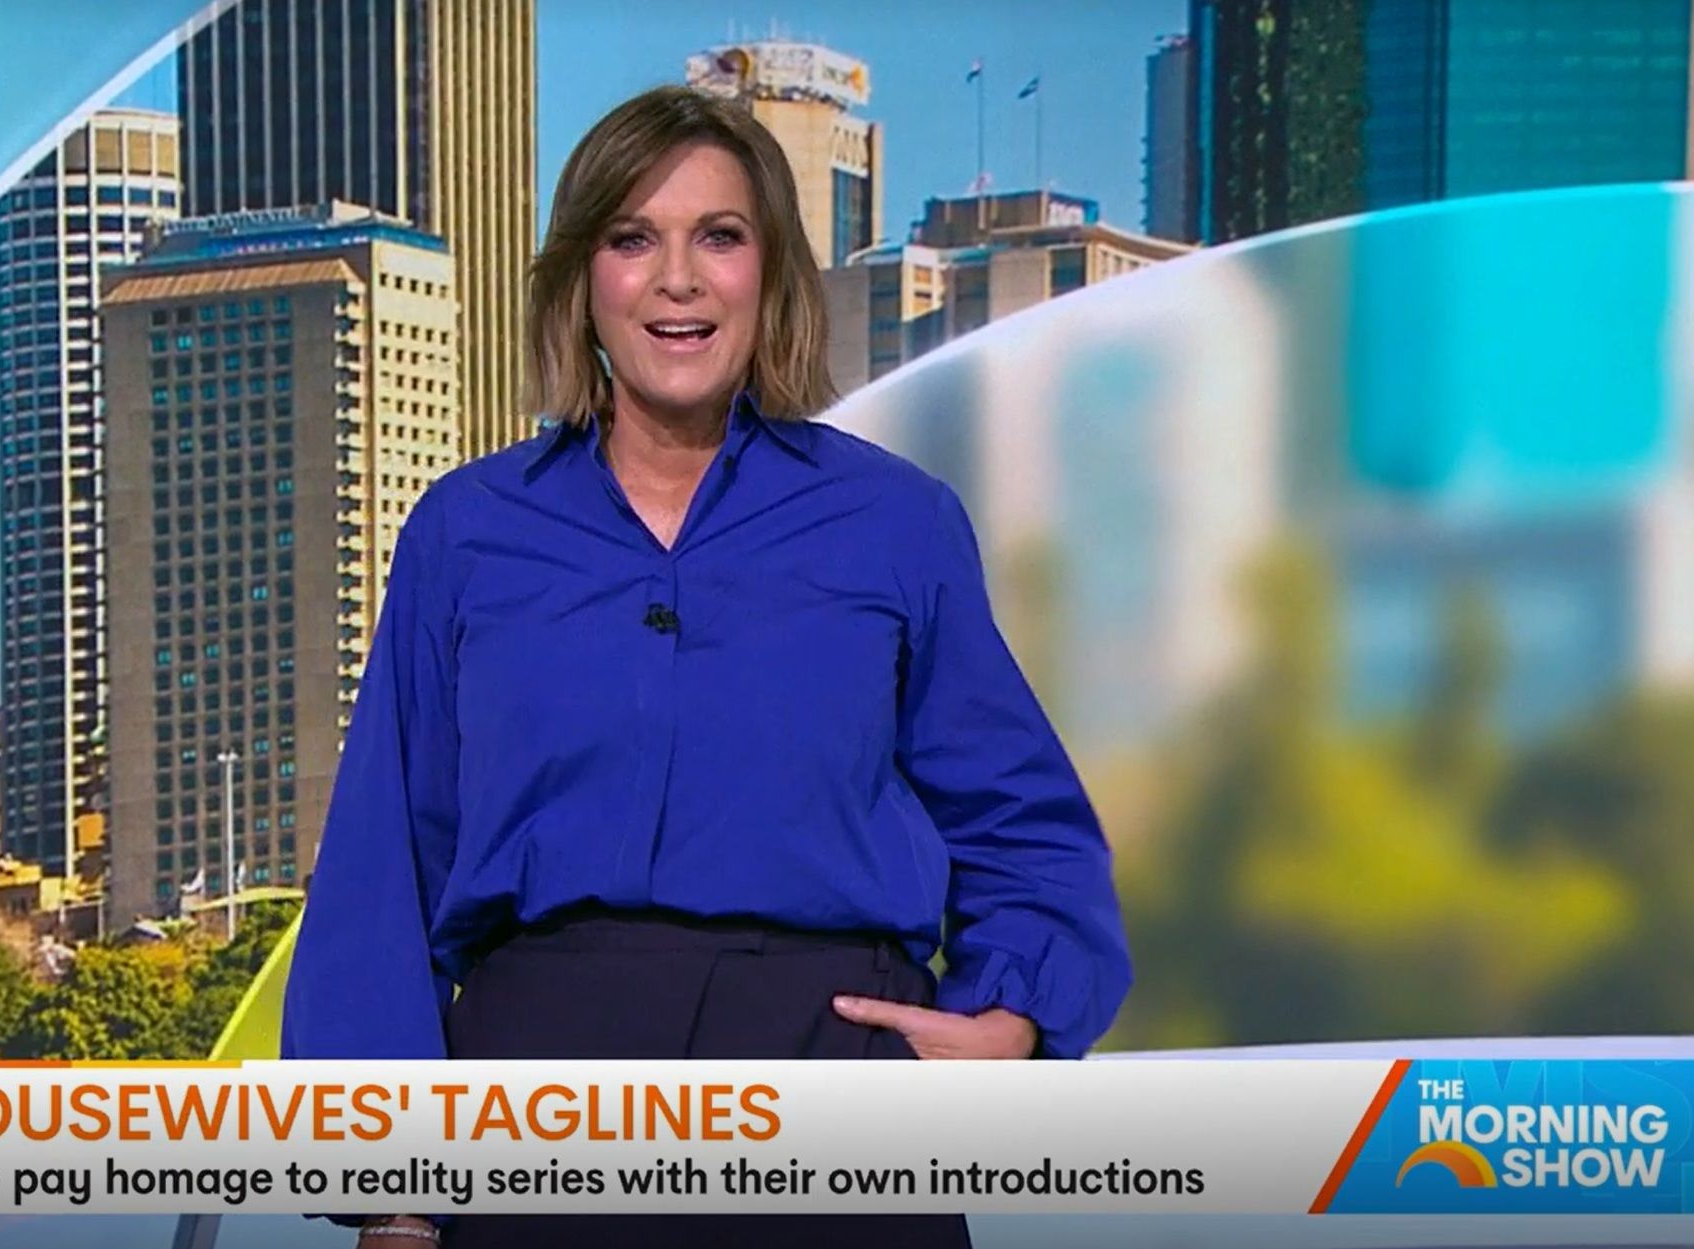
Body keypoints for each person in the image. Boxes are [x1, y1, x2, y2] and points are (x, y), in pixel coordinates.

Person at [280, 84, 1131, 1249]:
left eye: (718, 237)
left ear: (768, 274)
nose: (676, 280)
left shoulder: (894, 523)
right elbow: (387, 865)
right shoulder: (466, 532)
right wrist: (392, 1194)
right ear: (581, 280)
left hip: (837, 1096)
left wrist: (1011, 1016)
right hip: (533, 1109)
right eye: (633, 239)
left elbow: (1020, 824)